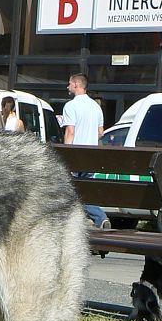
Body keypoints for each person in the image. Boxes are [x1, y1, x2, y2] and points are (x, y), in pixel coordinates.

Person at [62, 73, 111, 229]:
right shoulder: (96, 107)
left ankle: (98, 216)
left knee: (72, 191)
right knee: (84, 190)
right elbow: (101, 132)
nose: (67, 86)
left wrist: (66, 154)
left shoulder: (70, 106)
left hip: (76, 154)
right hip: (91, 154)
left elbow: (70, 131)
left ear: (76, 84)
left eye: (69, 83)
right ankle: (91, 220)